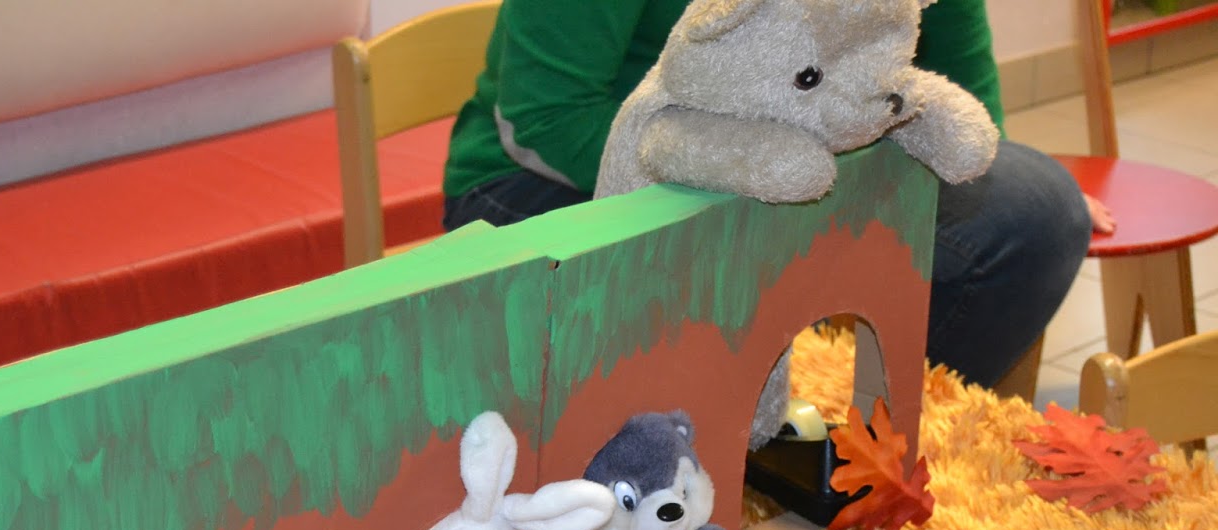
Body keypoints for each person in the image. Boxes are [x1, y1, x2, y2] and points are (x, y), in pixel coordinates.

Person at [441, 0, 1107, 391]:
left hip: (810, 161)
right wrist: (749, 194)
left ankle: (867, 454)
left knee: (1035, 209)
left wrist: (979, 154)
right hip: (567, 178)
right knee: (712, 296)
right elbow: (545, 119)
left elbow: (958, 63)